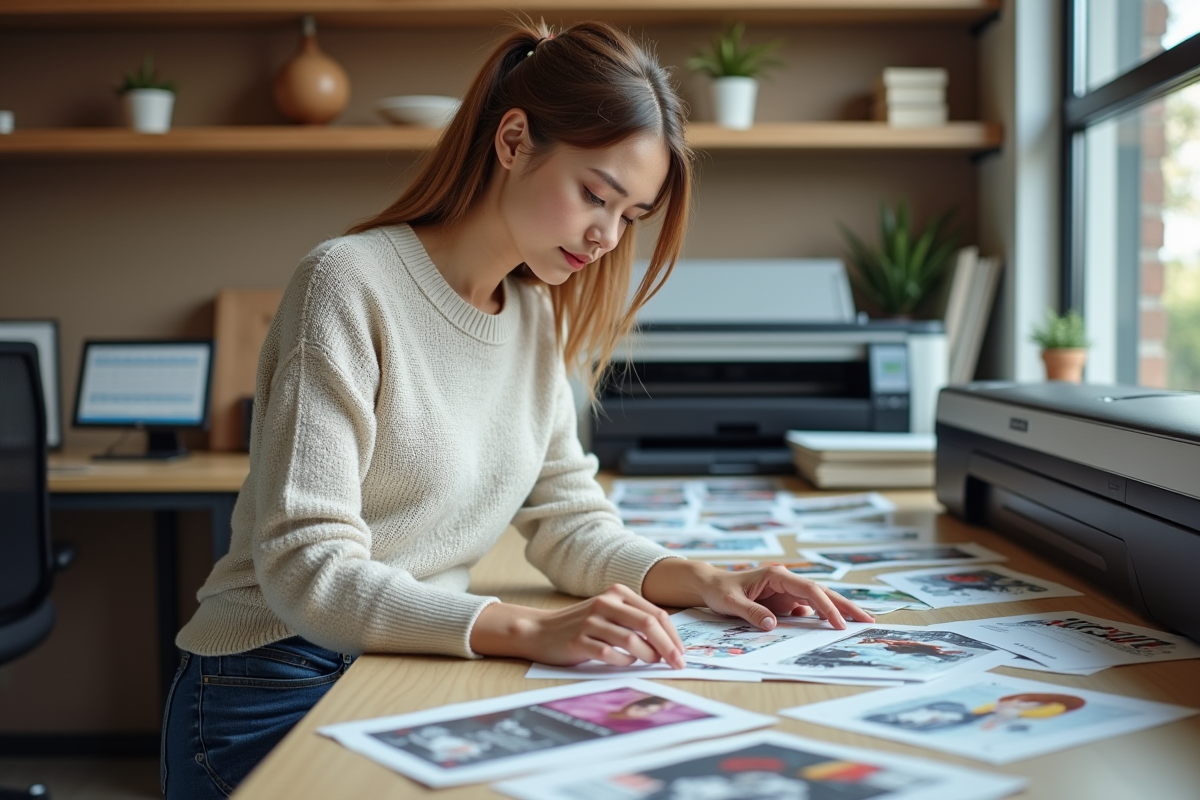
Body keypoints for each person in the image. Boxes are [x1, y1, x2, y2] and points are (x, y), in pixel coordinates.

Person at [160, 20, 872, 798]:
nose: (606, 237)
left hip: (406, 653)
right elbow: (307, 571)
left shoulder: (533, 314)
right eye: (595, 196)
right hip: (275, 677)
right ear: (512, 141)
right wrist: (528, 629)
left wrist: (707, 580)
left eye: (630, 217)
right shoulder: (347, 283)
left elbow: (569, 521)